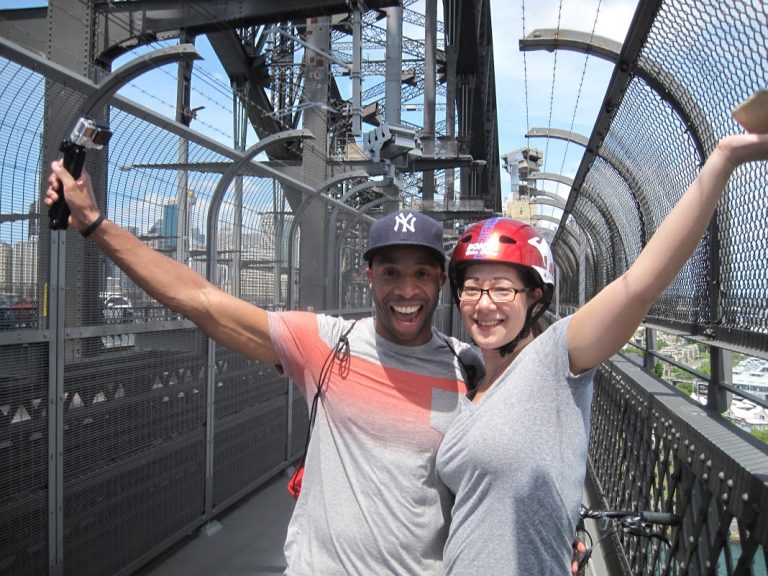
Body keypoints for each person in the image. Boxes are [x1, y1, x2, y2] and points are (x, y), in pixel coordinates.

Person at [43, 163, 482, 575]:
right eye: (390, 272)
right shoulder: (327, 345)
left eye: (422, 274)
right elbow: (202, 301)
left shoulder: (469, 368)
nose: (407, 289)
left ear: (441, 280)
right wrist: (96, 225)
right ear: (369, 275)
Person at [436, 131, 768, 575]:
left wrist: (724, 160)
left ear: (535, 298)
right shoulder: (467, 372)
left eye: (502, 288)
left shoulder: (556, 357)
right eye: (472, 288)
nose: (484, 303)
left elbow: (640, 284)